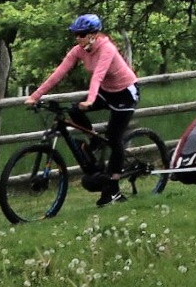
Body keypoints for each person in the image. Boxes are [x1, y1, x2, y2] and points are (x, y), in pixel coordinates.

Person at [26, 14, 140, 205]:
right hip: (106, 92)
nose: (77, 38)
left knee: (114, 137)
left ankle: (113, 189)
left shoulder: (107, 48)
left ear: (94, 34)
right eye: (76, 34)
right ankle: (94, 140)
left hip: (125, 93)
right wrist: (35, 96)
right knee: (73, 110)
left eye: (81, 34)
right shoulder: (79, 50)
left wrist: (90, 100)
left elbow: (98, 76)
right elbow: (58, 73)